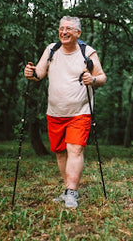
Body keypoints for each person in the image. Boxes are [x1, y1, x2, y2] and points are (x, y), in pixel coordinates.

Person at [24, 16, 107, 208]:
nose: (64, 32)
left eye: (68, 29)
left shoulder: (87, 52)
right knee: (60, 153)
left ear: (78, 33)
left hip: (80, 111)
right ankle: (67, 190)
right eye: (61, 28)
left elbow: (102, 77)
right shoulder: (51, 50)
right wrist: (31, 73)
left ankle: (72, 192)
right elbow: (39, 73)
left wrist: (93, 80)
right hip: (55, 112)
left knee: (75, 149)